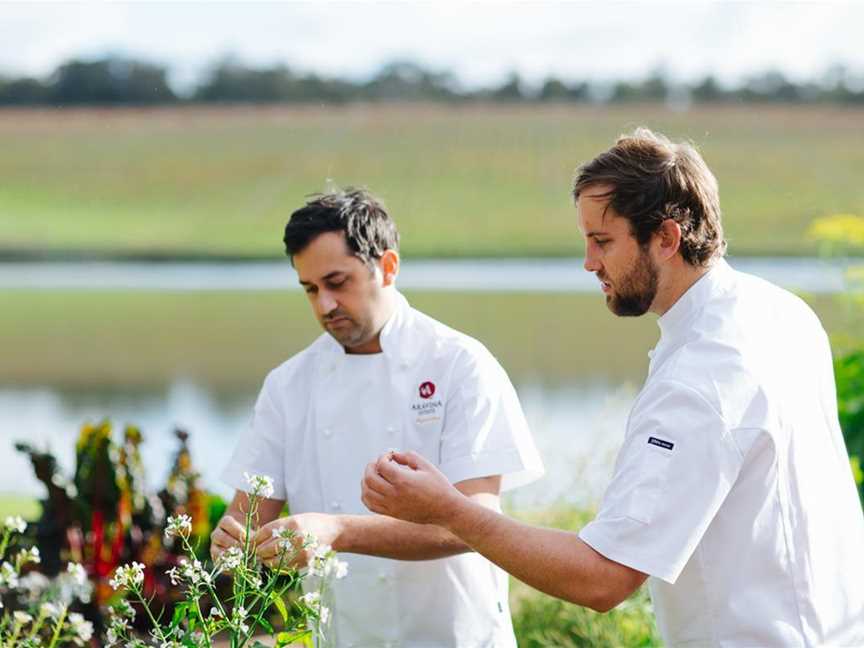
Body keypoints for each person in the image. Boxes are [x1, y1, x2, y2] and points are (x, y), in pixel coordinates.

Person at [362, 129, 864, 647]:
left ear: (666, 238)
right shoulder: (782, 312)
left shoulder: (697, 379)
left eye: (603, 241)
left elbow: (603, 578)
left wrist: (448, 508)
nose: (588, 262)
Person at [212, 187, 544, 648]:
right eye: (310, 289)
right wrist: (234, 544)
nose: (324, 305)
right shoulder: (288, 385)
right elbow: (247, 517)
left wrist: (337, 530)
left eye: (337, 282)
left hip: (455, 635)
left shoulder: (459, 363)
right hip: (344, 636)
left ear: (387, 267)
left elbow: (476, 523)